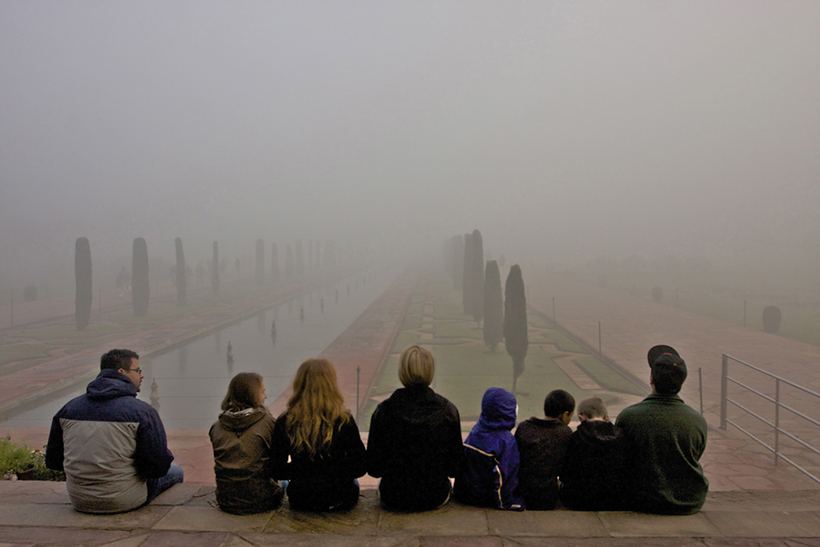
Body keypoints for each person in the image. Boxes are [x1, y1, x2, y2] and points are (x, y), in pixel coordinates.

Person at [46, 349, 183, 513]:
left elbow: (54, 461)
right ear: (121, 372)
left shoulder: (68, 409)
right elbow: (158, 467)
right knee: (176, 471)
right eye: (137, 370)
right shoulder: (142, 412)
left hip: (79, 499)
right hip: (124, 499)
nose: (142, 375)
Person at [367, 346, 465, 511]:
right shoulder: (447, 411)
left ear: (402, 372)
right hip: (435, 495)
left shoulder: (384, 411)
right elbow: (455, 468)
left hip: (393, 496)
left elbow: (374, 469)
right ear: (430, 371)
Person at [615, 345, 709, 515]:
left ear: (652, 378)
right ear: (682, 381)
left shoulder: (628, 416)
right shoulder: (697, 421)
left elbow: (621, 459)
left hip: (642, 499)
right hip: (689, 500)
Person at [271, 359, 366, 511]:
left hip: (301, 499)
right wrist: (334, 471)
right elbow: (360, 467)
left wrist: (303, 470)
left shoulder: (286, 421)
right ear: (331, 384)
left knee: (286, 484)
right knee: (353, 482)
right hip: (340, 498)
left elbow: (276, 469)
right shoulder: (344, 420)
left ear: (299, 384)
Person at [209, 372, 284, 514]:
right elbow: (277, 463)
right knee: (284, 482)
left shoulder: (216, 427)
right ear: (253, 396)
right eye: (262, 392)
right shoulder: (267, 423)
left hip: (226, 500)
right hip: (261, 500)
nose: (266, 396)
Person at [454, 387, 524, 511]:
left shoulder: (476, 430)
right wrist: (507, 503)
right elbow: (504, 478)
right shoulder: (506, 441)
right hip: (484, 499)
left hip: (464, 495)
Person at [560, 397, 628, 511]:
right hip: (615, 501)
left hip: (580, 501)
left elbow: (565, 473)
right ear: (606, 417)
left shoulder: (577, 438)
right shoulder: (621, 437)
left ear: (582, 417)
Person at [514, 389, 575, 510]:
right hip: (547, 498)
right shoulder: (565, 433)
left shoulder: (524, 427)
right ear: (565, 414)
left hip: (521, 493)